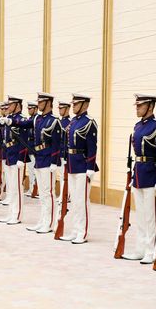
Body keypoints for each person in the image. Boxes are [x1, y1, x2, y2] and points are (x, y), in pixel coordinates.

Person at [5, 92, 62, 233]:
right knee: (42, 194)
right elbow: (24, 123)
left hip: (48, 159)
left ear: (48, 102)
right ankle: (43, 220)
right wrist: (10, 121)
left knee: (48, 192)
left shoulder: (54, 121)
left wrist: (54, 161)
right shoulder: (37, 118)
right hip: (39, 158)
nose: (38, 104)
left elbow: (57, 143)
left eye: (41, 102)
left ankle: (49, 223)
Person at [122, 94, 156, 264]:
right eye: (137, 105)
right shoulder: (138, 126)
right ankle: (140, 249)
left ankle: (152, 250)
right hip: (139, 174)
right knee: (140, 216)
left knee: (151, 216)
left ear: (150, 106)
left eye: (140, 105)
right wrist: (133, 176)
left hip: (151, 175)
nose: (137, 108)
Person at [58, 94, 98, 244]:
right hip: (72, 164)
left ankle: (82, 232)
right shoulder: (73, 122)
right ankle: (75, 230)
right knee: (74, 200)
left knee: (82, 201)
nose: (73, 106)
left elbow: (92, 147)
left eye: (76, 104)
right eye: (73, 104)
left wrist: (90, 167)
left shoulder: (89, 123)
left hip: (82, 165)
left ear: (85, 105)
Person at [0, 96, 30, 225]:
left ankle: (17, 214)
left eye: (11, 104)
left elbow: (24, 140)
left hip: (17, 157)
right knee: (11, 188)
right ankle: (11, 213)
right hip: (9, 155)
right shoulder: (9, 119)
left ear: (17, 105)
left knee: (17, 187)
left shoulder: (21, 120)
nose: (8, 106)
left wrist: (22, 158)